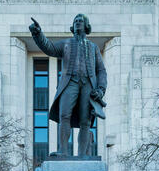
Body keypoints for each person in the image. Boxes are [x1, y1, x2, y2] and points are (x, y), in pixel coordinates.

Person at [29, 14, 107, 157]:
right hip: (70, 83)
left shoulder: (93, 47)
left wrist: (101, 89)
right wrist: (37, 33)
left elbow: (101, 70)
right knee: (64, 115)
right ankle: (63, 151)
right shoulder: (66, 43)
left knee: (86, 121)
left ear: (86, 26)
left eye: (80, 21)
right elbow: (49, 47)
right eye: (75, 21)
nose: (77, 23)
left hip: (88, 85)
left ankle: (83, 155)